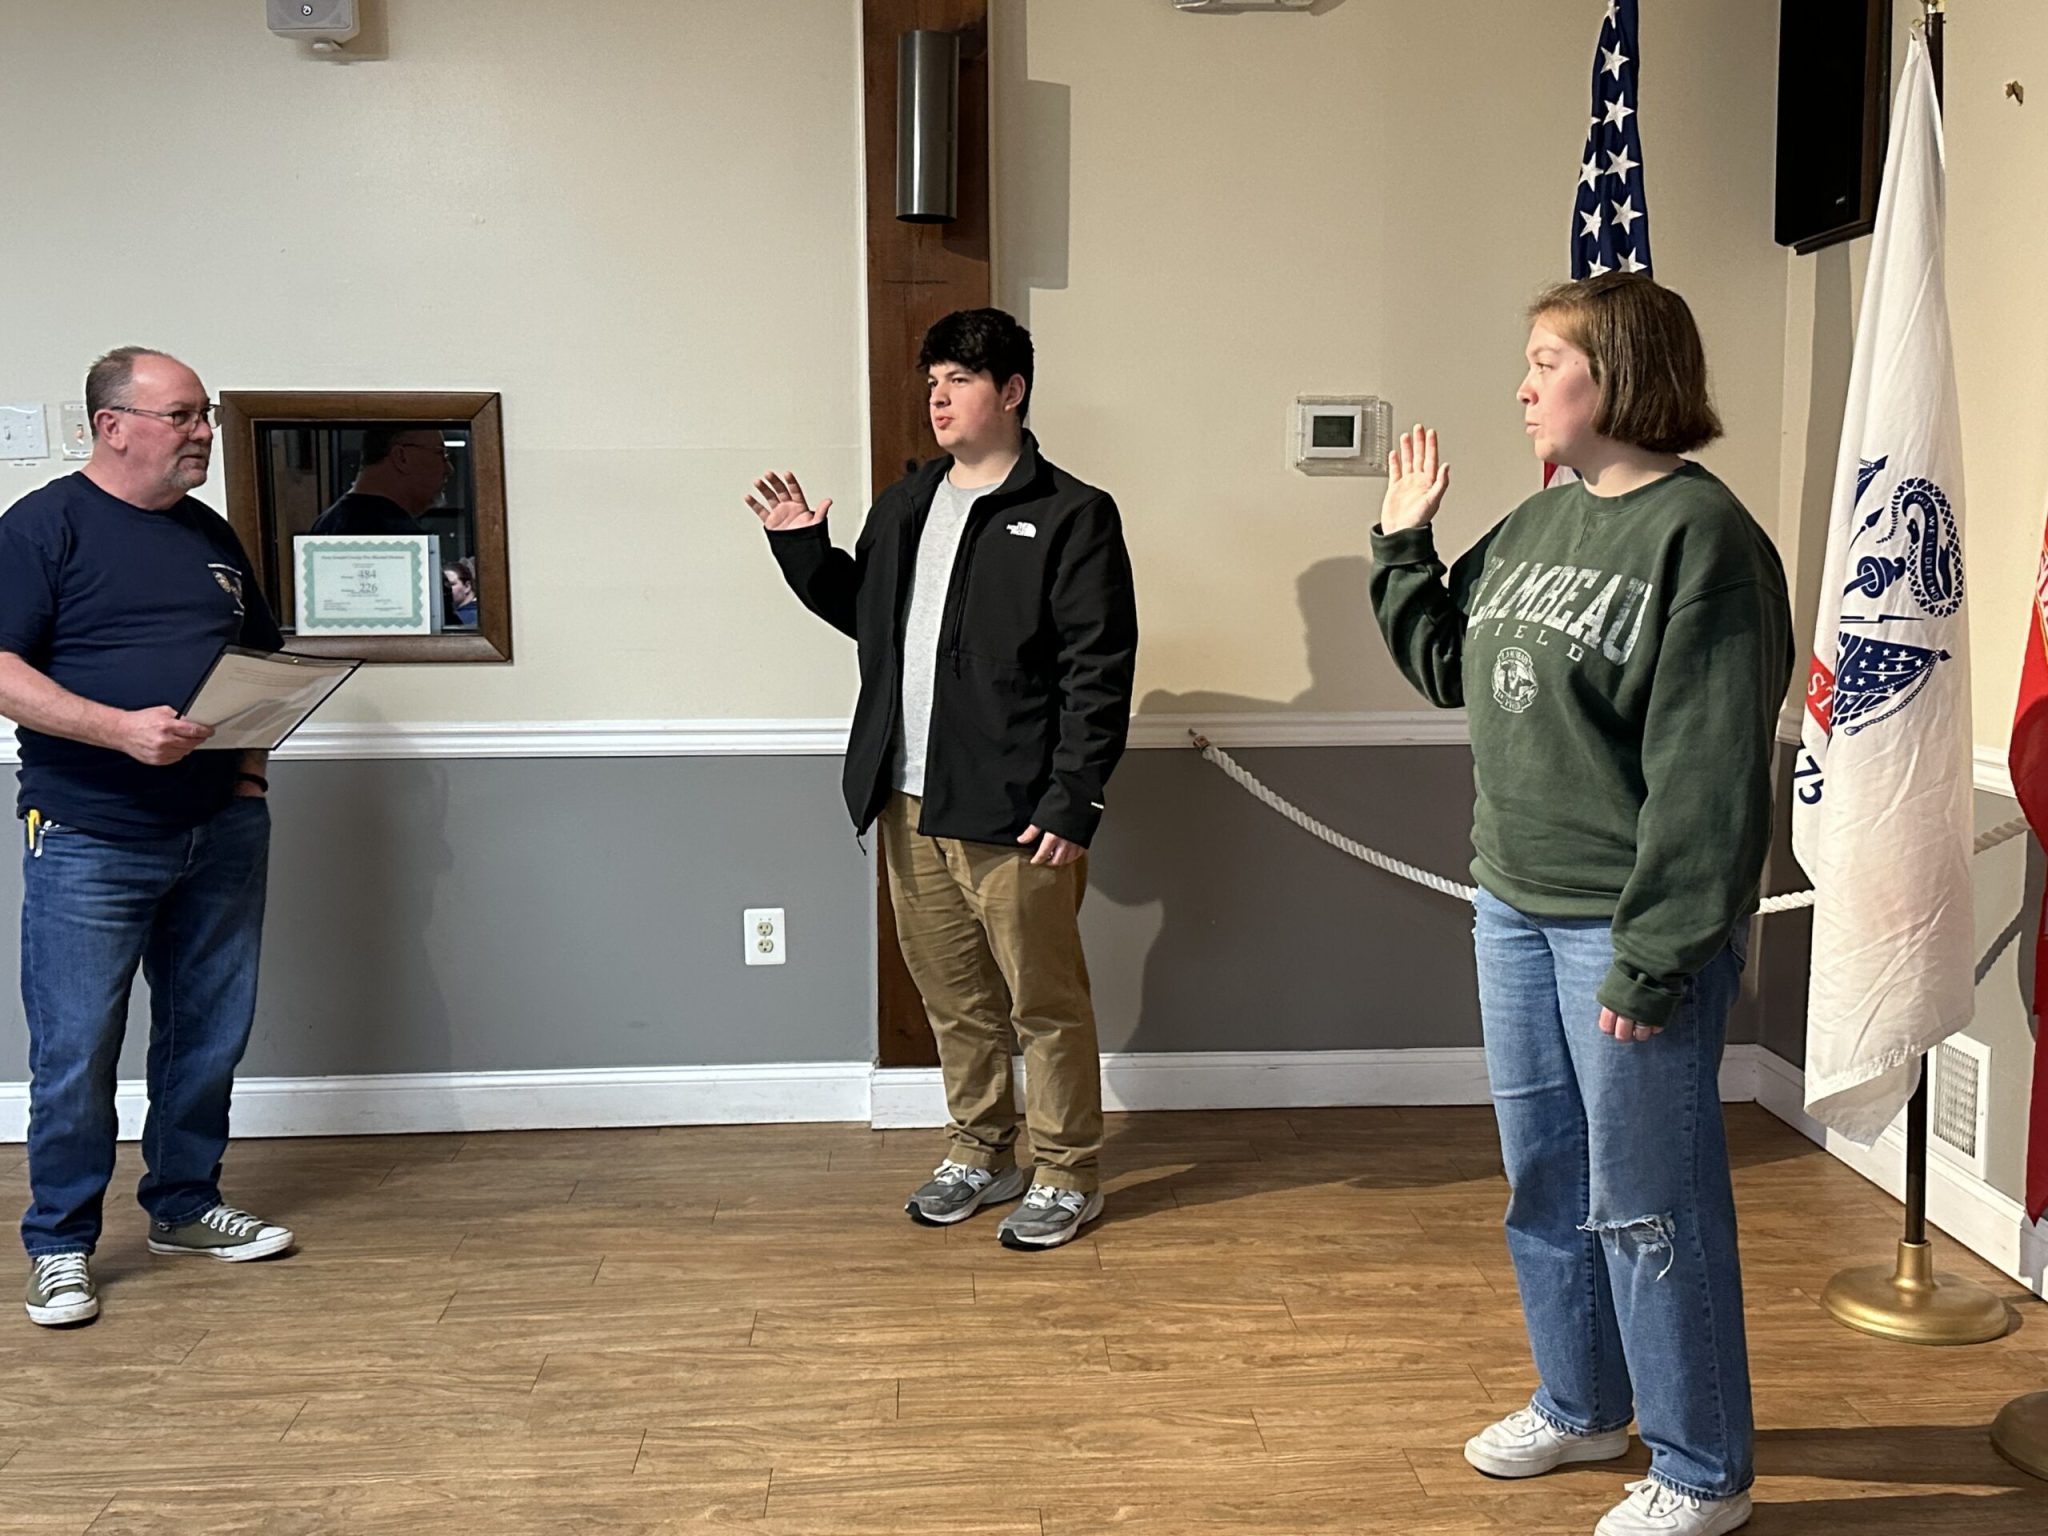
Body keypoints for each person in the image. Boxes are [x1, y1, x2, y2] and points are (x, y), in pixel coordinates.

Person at [1368, 274, 1791, 1536]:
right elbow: (1452, 665)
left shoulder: (1701, 540)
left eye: (1543, 361)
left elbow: (1709, 777)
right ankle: (1580, 1403)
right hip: (1511, 906)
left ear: (1611, 375)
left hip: (1622, 930)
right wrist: (1403, 547)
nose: (1520, 386)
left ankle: (1701, 1468)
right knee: (1544, 1180)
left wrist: (1654, 958)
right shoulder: (1536, 523)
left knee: (1652, 1205)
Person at [748, 308, 1137, 1250]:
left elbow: (1100, 667)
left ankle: (1067, 1170)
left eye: (958, 380)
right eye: (932, 381)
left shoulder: (1072, 513)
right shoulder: (906, 503)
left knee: (1044, 1004)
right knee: (954, 1000)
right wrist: (804, 549)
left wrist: (1073, 798)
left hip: (1017, 812)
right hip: (907, 796)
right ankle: (980, 1148)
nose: (938, 397)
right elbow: (871, 621)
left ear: (1011, 391)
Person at [0, 347, 296, 1328]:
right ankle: (59, 1244)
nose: (203, 430)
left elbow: (258, 659)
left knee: (207, 1032)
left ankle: (183, 1204)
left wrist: (248, 778)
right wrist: (119, 730)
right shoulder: (45, 528)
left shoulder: (212, 536)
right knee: (78, 1045)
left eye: (203, 414)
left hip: (220, 828)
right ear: (111, 424)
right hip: (88, 830)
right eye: (180, 415)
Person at [308, 425, 449, 535]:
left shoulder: (326, 523)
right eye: (441, 454)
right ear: (401, 457)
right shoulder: (398, 535)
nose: (449, 468)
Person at [443, 557, 478, 626]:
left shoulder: (470, 618)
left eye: (451, 584)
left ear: (467, 586)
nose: (446, 589)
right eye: (443, 585)